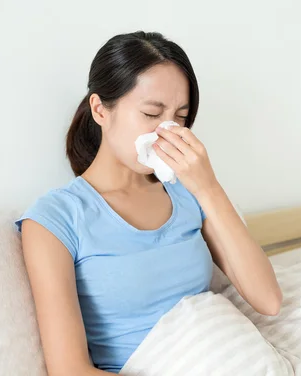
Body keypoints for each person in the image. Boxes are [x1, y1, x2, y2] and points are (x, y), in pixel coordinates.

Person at [16, 31, 282, 375]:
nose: (166, 131)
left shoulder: (188, 194)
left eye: (180, 117)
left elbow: (268, 300)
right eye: (151, 113)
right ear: (100, 110)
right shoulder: (56, 219)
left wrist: (209, 187)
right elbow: (69, 370)